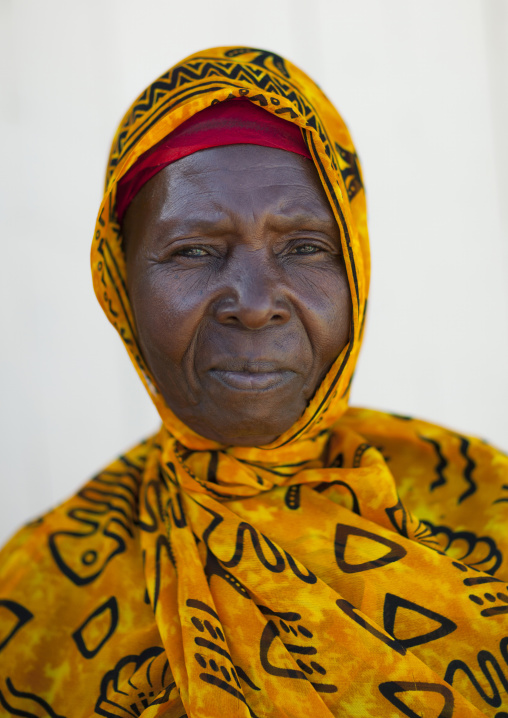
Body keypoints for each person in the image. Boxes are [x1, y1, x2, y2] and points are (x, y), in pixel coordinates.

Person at [0, 46, 506, 718]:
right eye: (194, 251)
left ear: (354, 269)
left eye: (305, 247)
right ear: (120, 285)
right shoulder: (36, 598)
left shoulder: (485, 510)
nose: (256, 301)